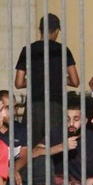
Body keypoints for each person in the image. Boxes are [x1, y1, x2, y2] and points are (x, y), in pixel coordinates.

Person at [15, 13, 80, 152]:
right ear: (56, 31)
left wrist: (36, 79)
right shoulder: (63, 50)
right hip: (55, 106)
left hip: (33, 107)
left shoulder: (28, 50)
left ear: (40, 30)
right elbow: (75, 81)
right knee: (54, 146)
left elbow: (19, 82)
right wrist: (57, 78)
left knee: (30, 148)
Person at [0, 90, 28, 185]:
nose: (14, 112)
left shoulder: (21, 129)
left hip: (16, 173)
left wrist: (12, 169)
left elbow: (24, 155)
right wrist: (5, 170)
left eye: (15, 107)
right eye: (8, 108)